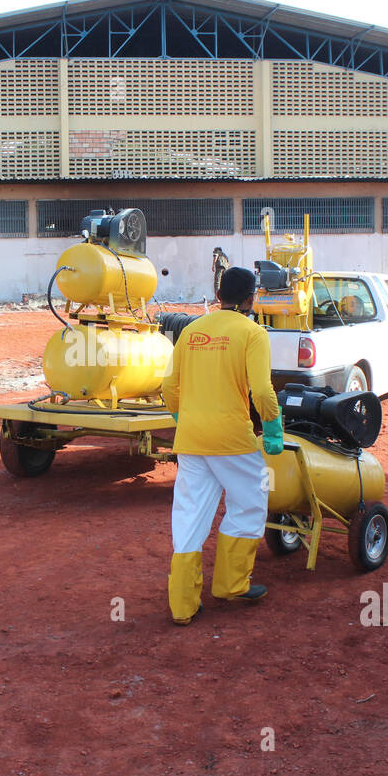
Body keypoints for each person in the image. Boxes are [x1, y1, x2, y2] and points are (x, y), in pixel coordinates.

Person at [162, 266, 284, 625]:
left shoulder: (192, 330)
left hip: (192, 440)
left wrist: (181, 421)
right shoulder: (253, 333)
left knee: (189, 515)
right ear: (251, 298)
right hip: (232, 440)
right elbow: (262, 391)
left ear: (218, 297)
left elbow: (170, 386)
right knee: (249, 504)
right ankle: (231, 585)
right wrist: (273, 428)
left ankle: (182, 605)